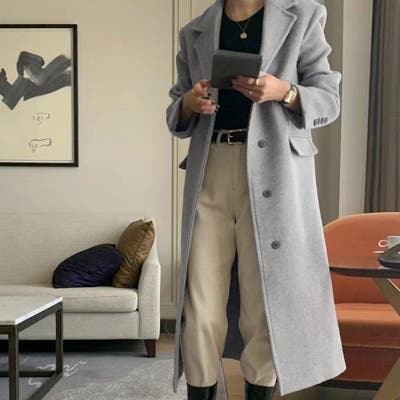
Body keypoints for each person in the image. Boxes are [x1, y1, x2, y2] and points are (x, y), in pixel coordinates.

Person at [166, 0, 345, 399]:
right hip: (210, 167)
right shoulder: (195, 30)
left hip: (274, 173)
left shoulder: (304, 17)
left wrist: (285, 92)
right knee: (200, 301)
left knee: (263, 296)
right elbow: (176, 109)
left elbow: (329, 100)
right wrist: (189, 104)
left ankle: (259, 390)